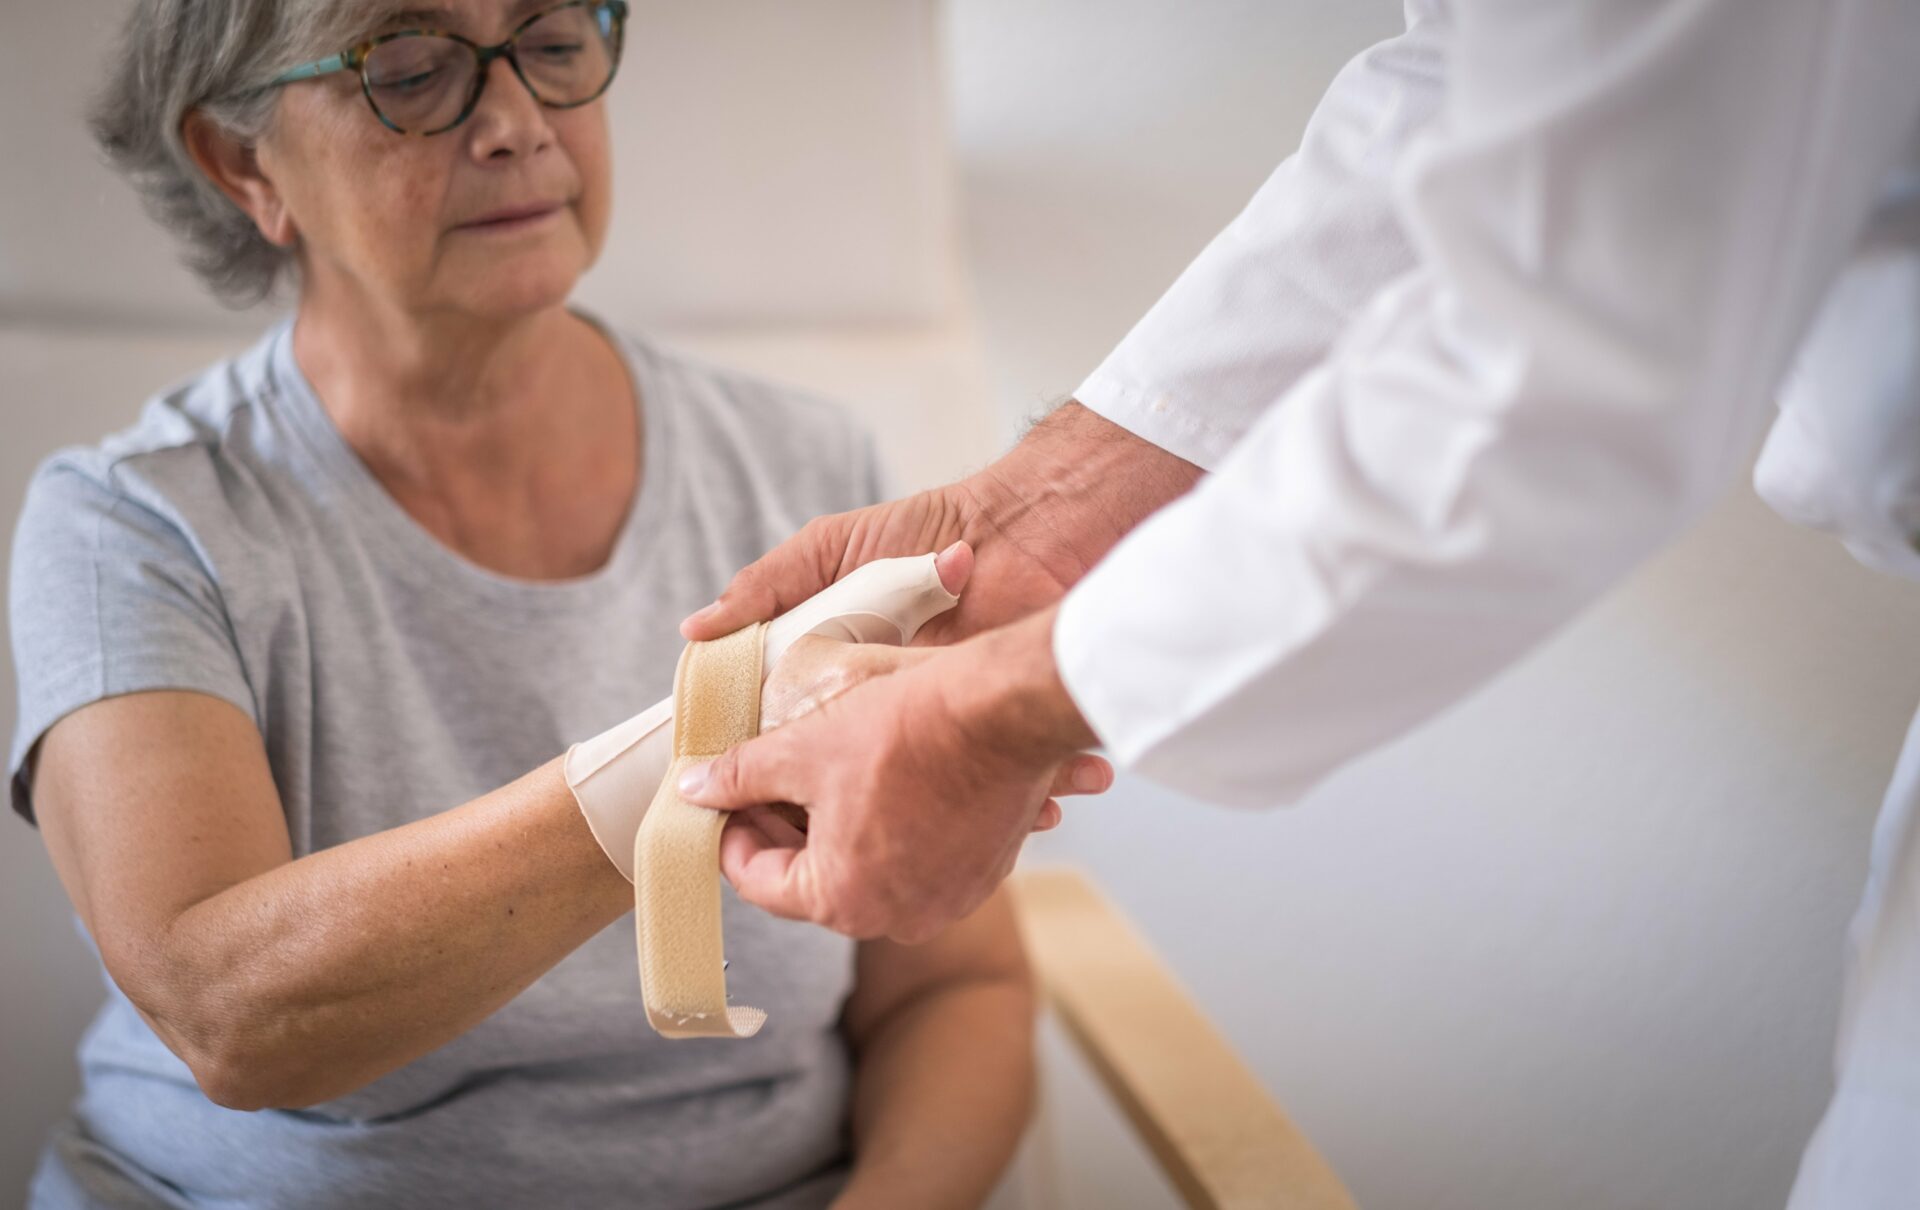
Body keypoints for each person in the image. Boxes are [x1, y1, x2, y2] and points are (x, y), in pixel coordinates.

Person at [675, 1, 1920, 1204]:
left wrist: (994, 712)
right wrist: (1029, 516)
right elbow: (1473, 103)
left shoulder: (791, 456)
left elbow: (1561, 337)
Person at [5, 0, 1106, 1205]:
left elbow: (956, 987)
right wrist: (721, 733)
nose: (518, 122)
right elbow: (229, 1017)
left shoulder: (806, 473)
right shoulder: (129, 523)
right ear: (241, 160)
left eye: (553, 42)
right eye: (413, 70)